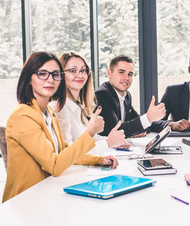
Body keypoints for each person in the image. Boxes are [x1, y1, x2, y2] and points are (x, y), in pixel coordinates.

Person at [3, 52, 118, 203]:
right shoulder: (23, 116)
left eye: (55, 74)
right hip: (26, 200)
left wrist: (98, 160)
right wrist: (90, 132)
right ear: (29, 78)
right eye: (42, 74)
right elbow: (54, 165)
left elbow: (63, 151)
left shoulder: (48, 112)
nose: (50, 79)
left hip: (47, 192)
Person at [51, 51, 128, 156]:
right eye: (73, 70)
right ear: (61, 75)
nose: (80, 75)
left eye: (83, 70)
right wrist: (108, 143)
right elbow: (68, 154)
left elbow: (92, 139)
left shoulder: (78, 106)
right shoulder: (59, 108)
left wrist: (114, 141)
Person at [95, 55, 166, 137]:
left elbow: (137, 120)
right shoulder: (102, 95)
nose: (126, 78)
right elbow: (115, 130)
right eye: (121, 72)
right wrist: (147, 118)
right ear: (109, 73)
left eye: (130, 74)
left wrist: (170, 124)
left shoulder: (126, 95)